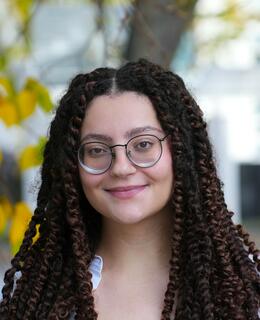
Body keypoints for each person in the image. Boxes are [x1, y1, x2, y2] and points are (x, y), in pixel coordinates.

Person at [0, 59, 259, 320]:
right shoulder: (32, 299)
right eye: (97, 150)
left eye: (144, 144)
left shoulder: (245, 294)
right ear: (71, 168)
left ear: (181, 152)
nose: (121, 168)